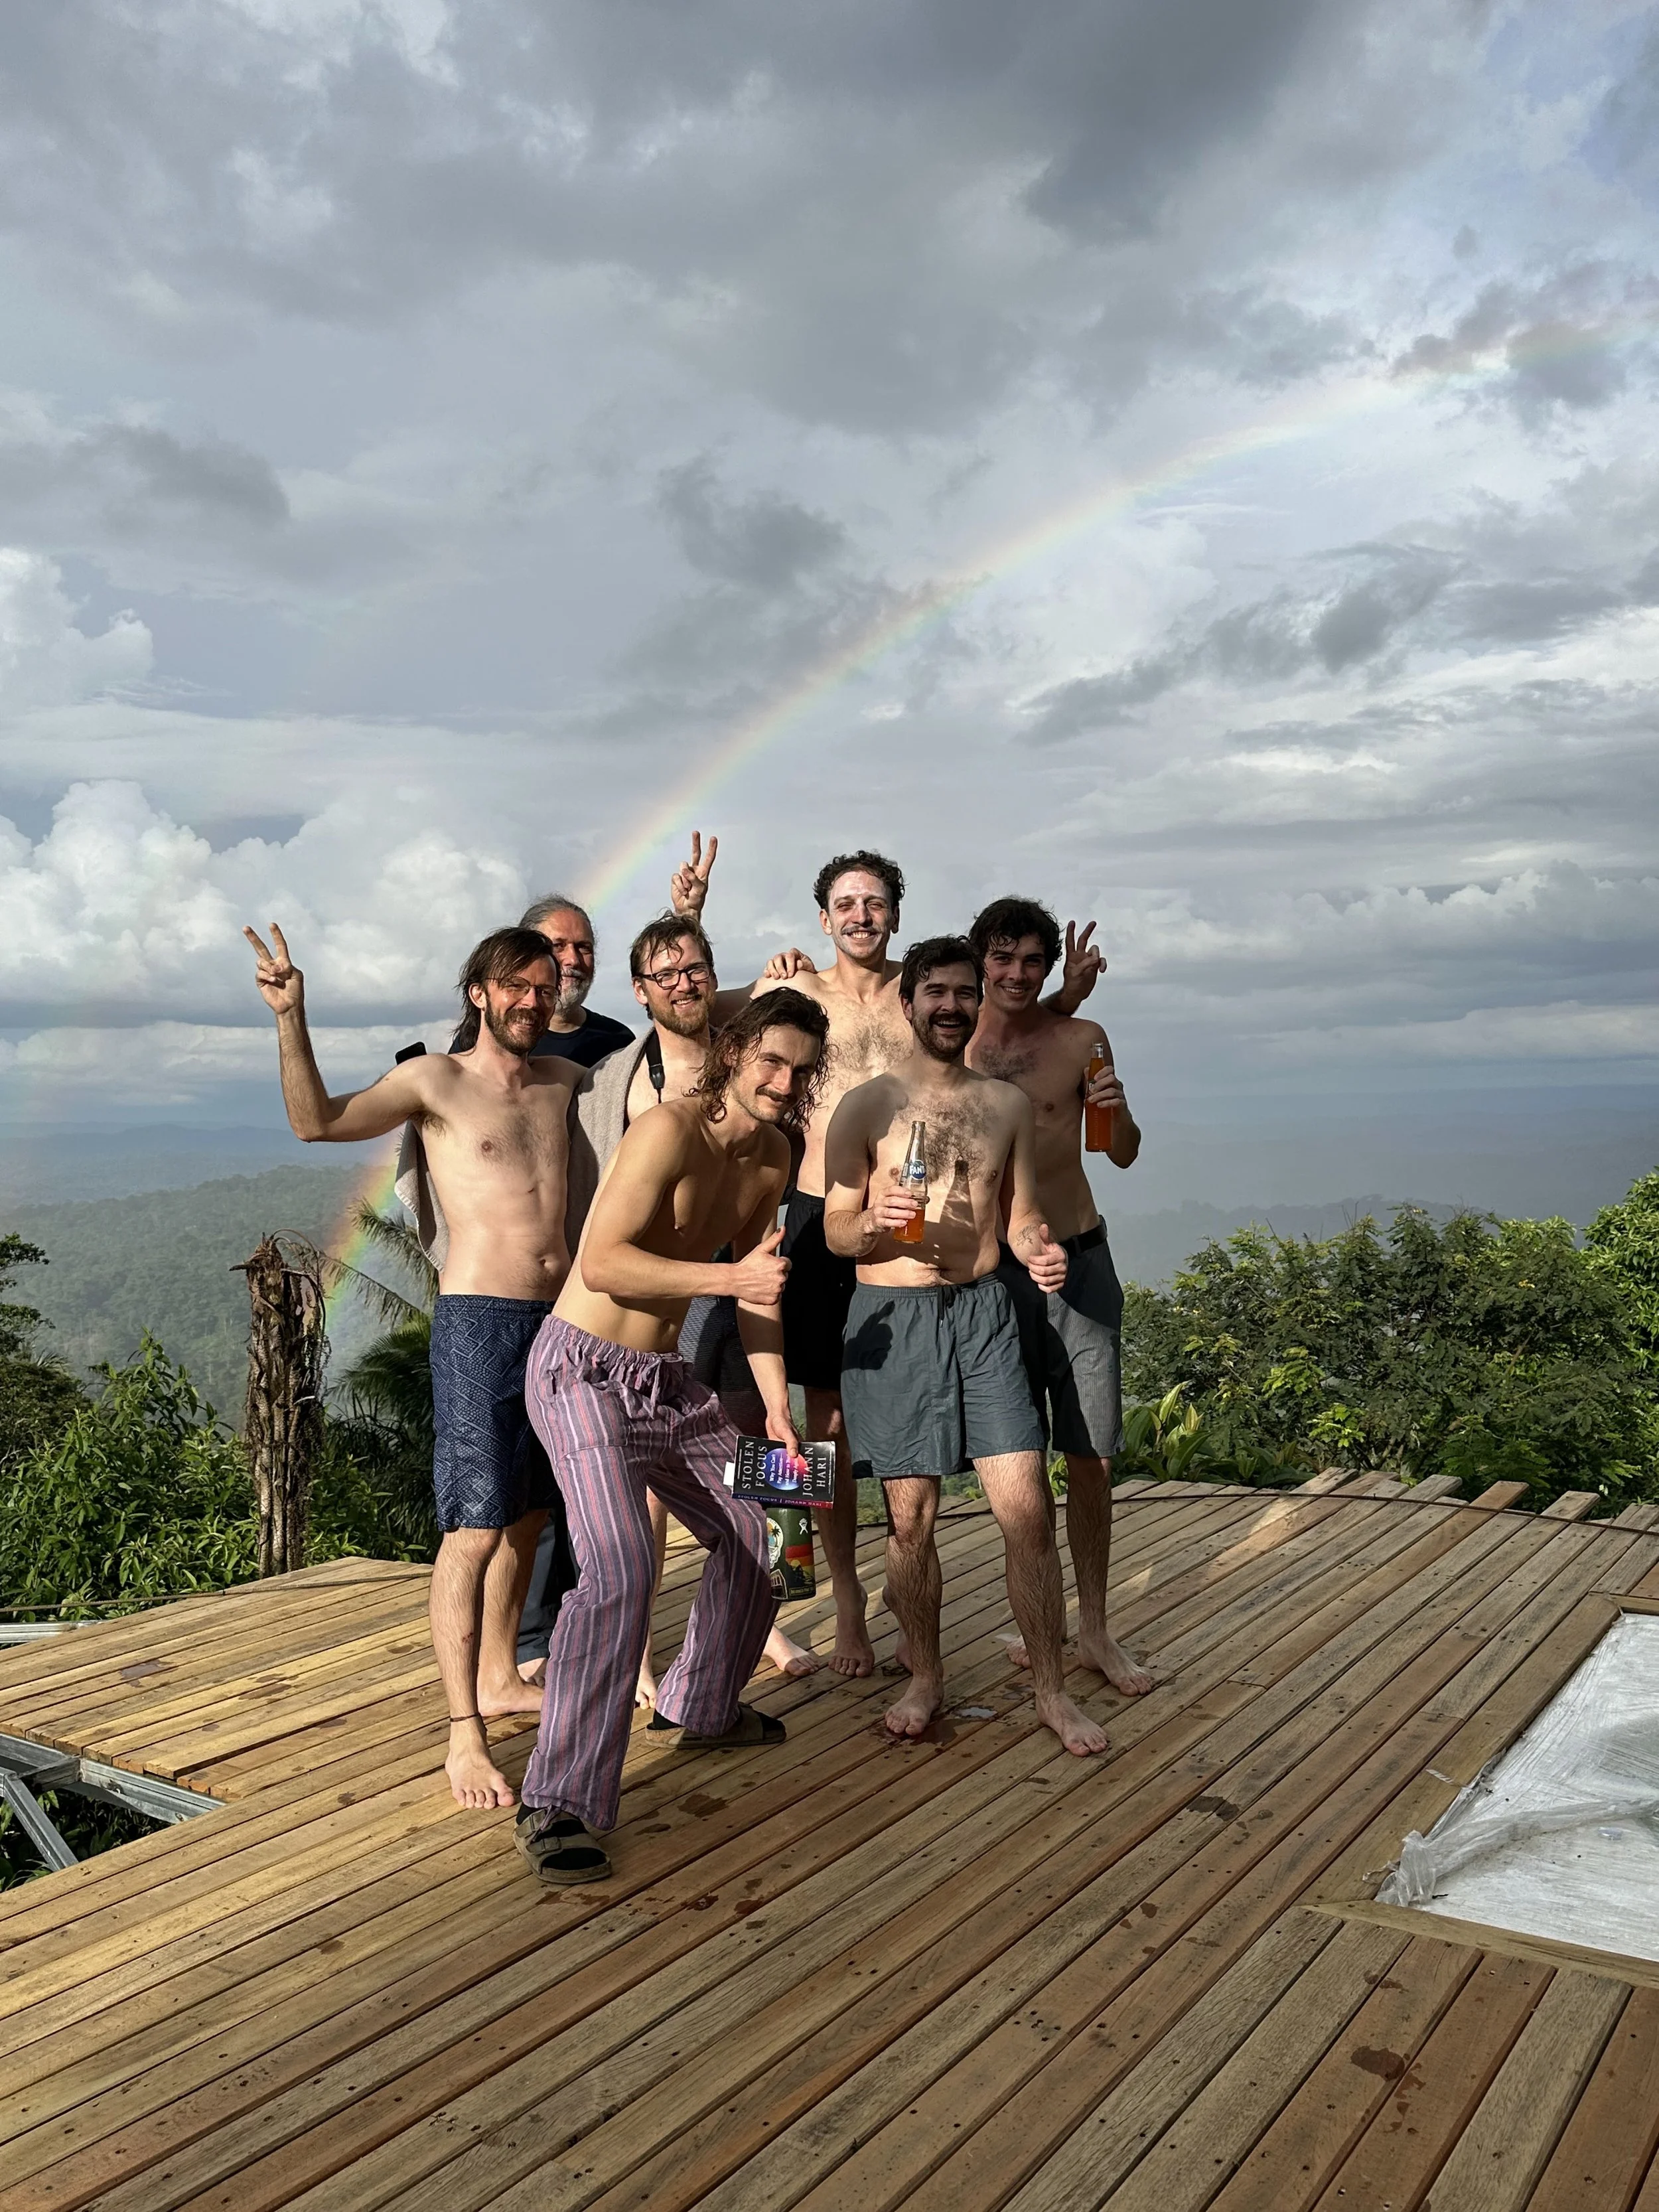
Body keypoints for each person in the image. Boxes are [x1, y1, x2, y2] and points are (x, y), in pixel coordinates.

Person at [245, 921, 583, 1812]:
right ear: (480, 991)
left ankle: (506, 1673)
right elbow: (317, 1122)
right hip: (480, 1321)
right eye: (517, 986)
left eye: (546, 987)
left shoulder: (565, 1082)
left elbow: (677, 1073)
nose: (533, 1001)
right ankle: (462, 1732)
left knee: (529, 1514)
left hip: (564, 1321)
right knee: (474, 1527)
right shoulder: (436, 1080)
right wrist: (291, 1015)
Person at [752, 852, 1097, 1680]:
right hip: (814, 1221)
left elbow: (986, 1014)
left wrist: (1064, 1002)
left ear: (895, 919)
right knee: (798, 1427)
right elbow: (712, 1026)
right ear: (822, 916)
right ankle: (823, 1599)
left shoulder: (936, 994)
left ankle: (945, 1651)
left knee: (1005, 1499)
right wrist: (687, 918)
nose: (861, 915)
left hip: (957, 1275)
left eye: (875, 902)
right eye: (846, 902)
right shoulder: (796, 995)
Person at [514, 991, 831, 1885]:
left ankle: (702, 1705)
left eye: (803, 1069)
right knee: (619, 1571)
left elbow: (757, 1296)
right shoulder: (666, 1132)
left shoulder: (775, 1155)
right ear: (733, 1054)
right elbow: (603, 1259)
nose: (785, 1081)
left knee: (787, 1512)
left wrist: (776, 1409)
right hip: (582, 1371)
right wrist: (730, 1274)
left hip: (670, 1382)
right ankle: (559, 1800)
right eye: (772, 1060)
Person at [822, 935, 1110, 1759]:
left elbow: (1016, 1217)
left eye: (961, 994)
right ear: (907, 1003)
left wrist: (1038, 1249)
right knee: (910, 1518)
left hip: (983, 1315)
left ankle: (1050, 1689)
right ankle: (926, 1675)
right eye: (934, 993)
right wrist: (868, 1223)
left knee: (1027, 1509)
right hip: (895, 1313)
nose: (949, 1007)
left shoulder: (1004, 1107)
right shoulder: (867, 1106)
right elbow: (838, 1232)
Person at [968, 897, 1152, 1697]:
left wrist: (1115, 1117)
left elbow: (1121, 1156)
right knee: (1016, 1466)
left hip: (1078, 1257)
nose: (1015, 973)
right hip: (990, 1276)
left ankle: (1095, 1629)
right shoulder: (950, 1042)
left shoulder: (1081, 1041)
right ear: (978, 962)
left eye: (1030, 961)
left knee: (1093, 1456)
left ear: (1047, 967)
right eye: (1001, 958)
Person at [520, 893, 636, 1068]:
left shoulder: (618, 1041)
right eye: (558, 946)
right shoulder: (497, 1038)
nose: (573, 960)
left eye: (584, 948)